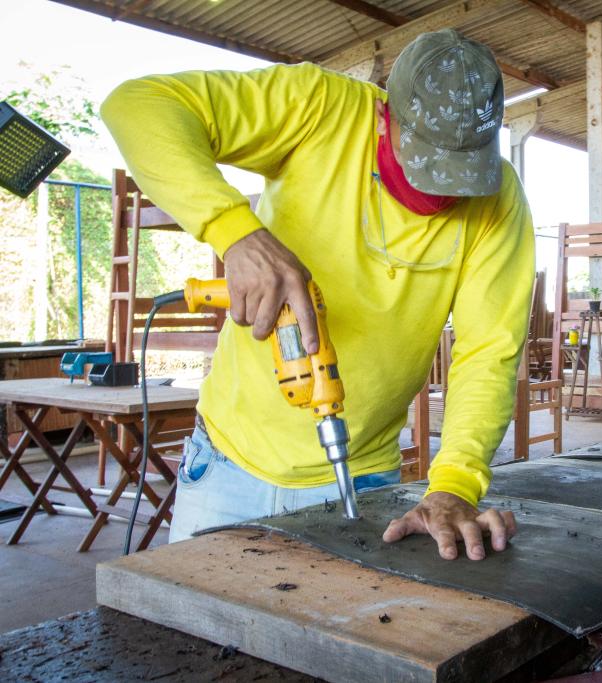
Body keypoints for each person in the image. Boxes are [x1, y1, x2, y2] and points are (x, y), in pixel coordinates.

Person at [101, 29, 535, 561]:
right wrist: (235, 231)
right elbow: (138, 104)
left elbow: (487, 353)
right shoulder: (320, 107)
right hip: (225, 465)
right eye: (425, 163)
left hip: (360, 474)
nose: (442, 190)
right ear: (384, 116)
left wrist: (454, 485)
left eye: (461, 171)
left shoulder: (500, 200)